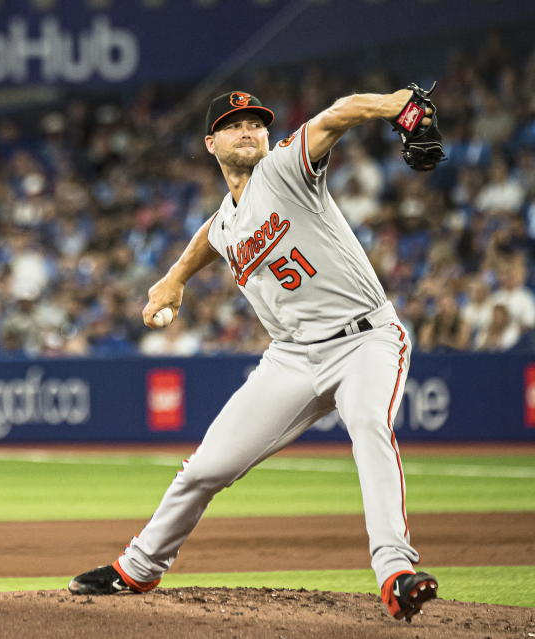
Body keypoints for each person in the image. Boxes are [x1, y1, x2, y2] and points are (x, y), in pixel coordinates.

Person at [67, 89, 440, 622]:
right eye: (234, 124)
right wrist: (174, 278)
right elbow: (211, 234)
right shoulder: (227, 218)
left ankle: (395, 573)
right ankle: (138, 568)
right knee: (205, 468)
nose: (249, 131)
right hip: (291, 357)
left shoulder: (287, 168)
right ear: (210, 143)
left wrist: (398, 103)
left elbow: (339, 114)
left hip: (364, 340)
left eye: (256, 123)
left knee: (369, 429)